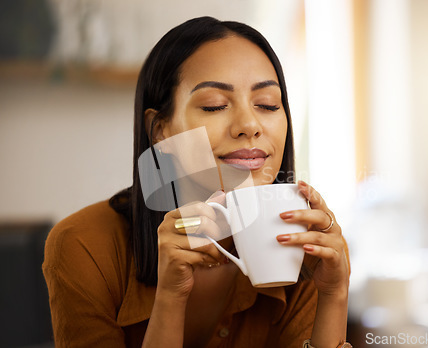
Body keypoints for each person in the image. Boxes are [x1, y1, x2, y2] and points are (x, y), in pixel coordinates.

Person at [43, 16, 351, 348]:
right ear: (160, 130)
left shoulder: (301, 244)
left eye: (267, 105)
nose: (249, 125)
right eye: (214, 105)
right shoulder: (83, 246)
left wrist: (334, 294)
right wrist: (171, 297)